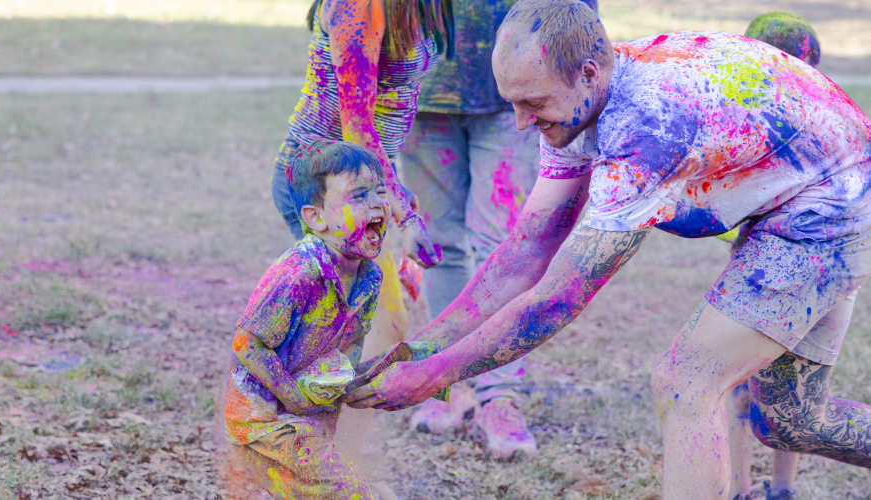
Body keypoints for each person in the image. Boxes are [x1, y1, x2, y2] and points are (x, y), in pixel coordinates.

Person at [343, 1, 871, 498]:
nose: (523, 122)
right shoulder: (577, 104)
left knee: (687, 381)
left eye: (534, 103)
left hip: (835, 202)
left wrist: (434, 376)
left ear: (589, 74)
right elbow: (526, 250)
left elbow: (557, 298)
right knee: (791, 421)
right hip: (812, 183)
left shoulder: (645, 129)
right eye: (513, 103)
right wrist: (418, 353)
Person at [397, 0, 604, 460]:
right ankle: (449, 386)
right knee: (438, 246)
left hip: (516, 89)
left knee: (508, 246)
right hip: (420, 84)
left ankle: (500, 396)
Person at [268, 0, 453, 466]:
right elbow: (357, 125)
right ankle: (324, 474)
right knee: (375, 333)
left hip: (363, 186)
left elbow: (385, 123)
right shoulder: (358, 4)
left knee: (363, 334)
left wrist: (397, 205)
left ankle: (327, 472)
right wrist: (402, 219)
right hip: (327, 185)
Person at [223, 140, 390, 498]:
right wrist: (295, 396)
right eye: (359, 196)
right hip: (265, 421)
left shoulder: (370, 277)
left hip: (310, 415)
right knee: (348, 491)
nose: (377, 203)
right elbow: (247, 342)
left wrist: (346, 375)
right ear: (317, 218)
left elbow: (354, 339)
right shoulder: (299, 273)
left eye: (380, 191)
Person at [726, 11, 826, 500]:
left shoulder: (747, 120)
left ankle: (745, 487)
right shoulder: (834, 117)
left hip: (763, 269)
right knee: (788, 385)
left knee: (743, 381)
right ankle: (774, 488)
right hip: (812, 276)